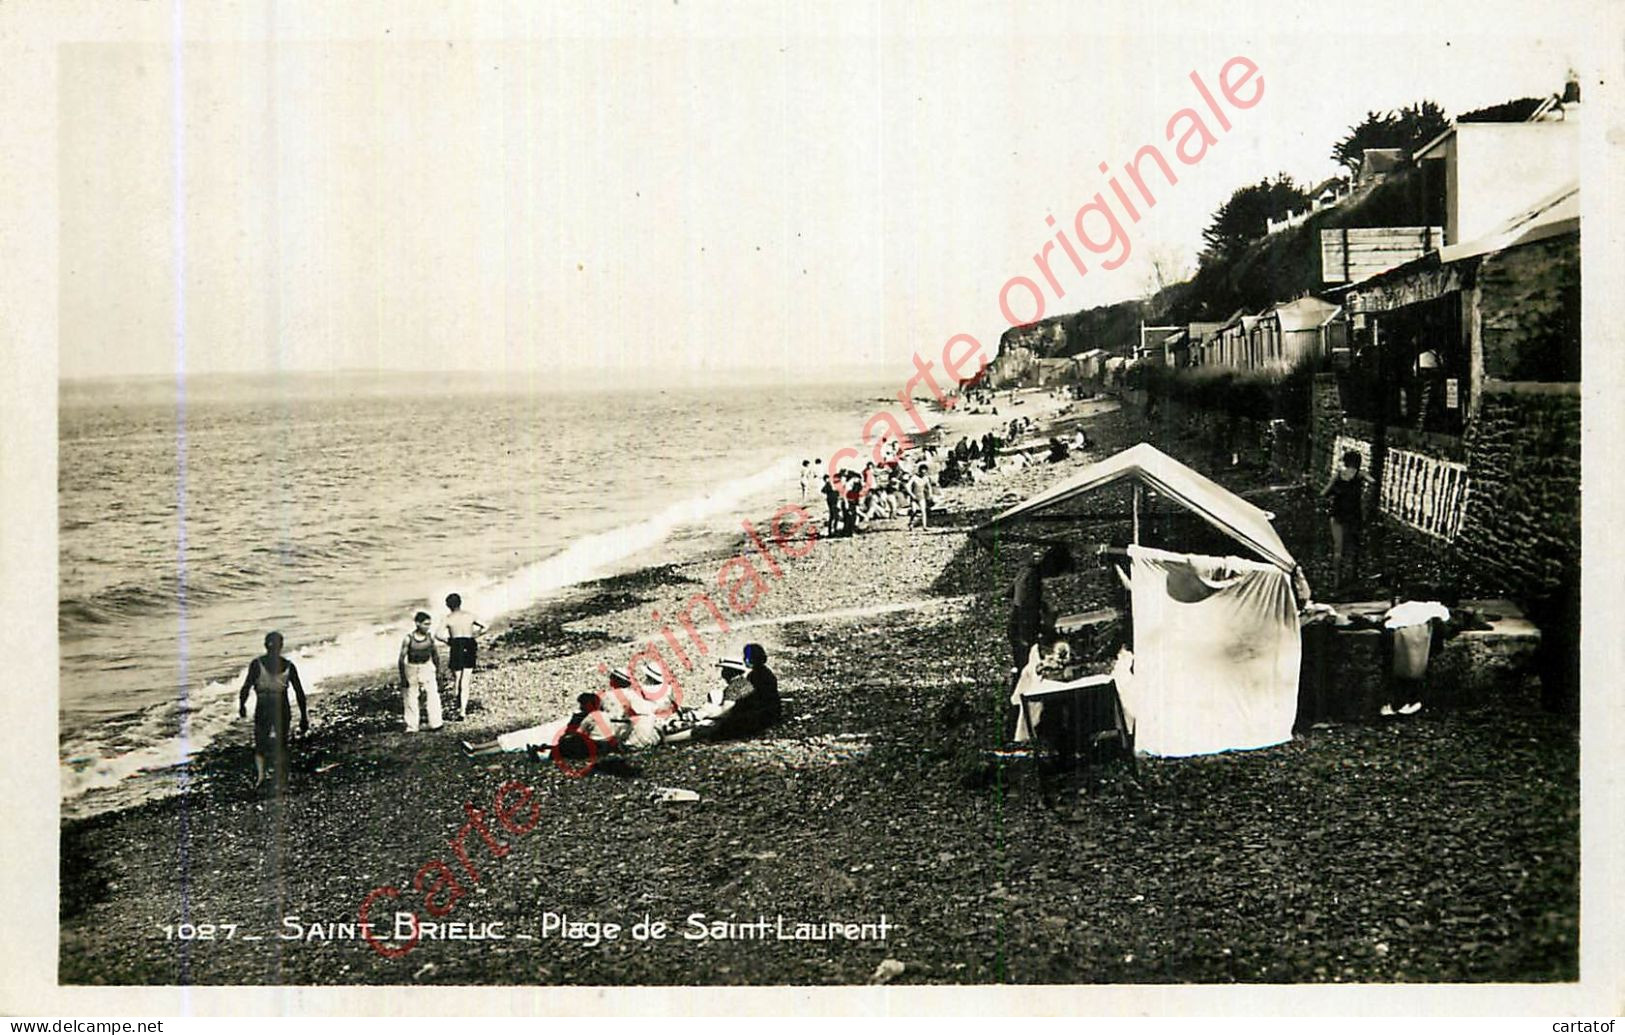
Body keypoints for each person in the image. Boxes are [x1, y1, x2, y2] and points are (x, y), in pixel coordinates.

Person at [237, 631, 309, 790]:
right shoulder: (289, 666)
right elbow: (299, 693)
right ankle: (282, 777)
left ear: (265, 646)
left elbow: (246, 687)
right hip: (281, 706)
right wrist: (304, 716)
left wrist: (242, 705)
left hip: (263, 706)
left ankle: (261, 777)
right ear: (281, 646)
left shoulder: (257, 664)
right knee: (282, 743)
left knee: (260, 743)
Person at [667, 643, 780, 743]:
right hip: (769, 714)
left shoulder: (739, 685)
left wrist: (704, 715)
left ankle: (667, 739)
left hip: (751, 720)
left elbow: (727, 710)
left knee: (705, 728)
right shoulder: (762, 674)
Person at [1008, 545, 1074, 691]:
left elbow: (1011, 592)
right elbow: (1027, 611)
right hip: (1021, 629)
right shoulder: (1032, 578)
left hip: (1019, 624)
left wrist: (1042, 605)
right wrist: (1047, 630)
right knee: (1028, 673)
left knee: (1025, 669)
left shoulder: (1029, 570)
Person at [1319, 450, 1370, 595]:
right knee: (1355, 547)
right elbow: (1373, 481)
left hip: (1338, 514)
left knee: (1338, 549)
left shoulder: (1338, 476)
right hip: (1354, 515)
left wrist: (1337, 491)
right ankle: (1353, 577)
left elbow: (1324, 493)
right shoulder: (1360, 475)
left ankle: (1337, 582)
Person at [438, 593, 486, 721]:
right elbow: (485, 626)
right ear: (460, 603)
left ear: (448, 605)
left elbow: (437, 634)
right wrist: (476, 634)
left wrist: (447, 641)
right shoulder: (469, 615)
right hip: (469, 643)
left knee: (458, 679)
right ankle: (462, 712)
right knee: (466, 680)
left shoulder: (448, 618)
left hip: (456, 645)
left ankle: (457, 704)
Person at [398, 611, 445, 732]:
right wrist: (403, 677)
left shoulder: (430, 638)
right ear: (417, 624)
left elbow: (435, 656)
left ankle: (436, 723)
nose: (427, 626)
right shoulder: (408, 639)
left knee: (433, 694)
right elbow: (401, 659)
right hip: (412, 668)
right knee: (410, 697)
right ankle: (412, 726)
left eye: (429, 624)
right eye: (425, 624)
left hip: (427, 667)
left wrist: (438, 672)